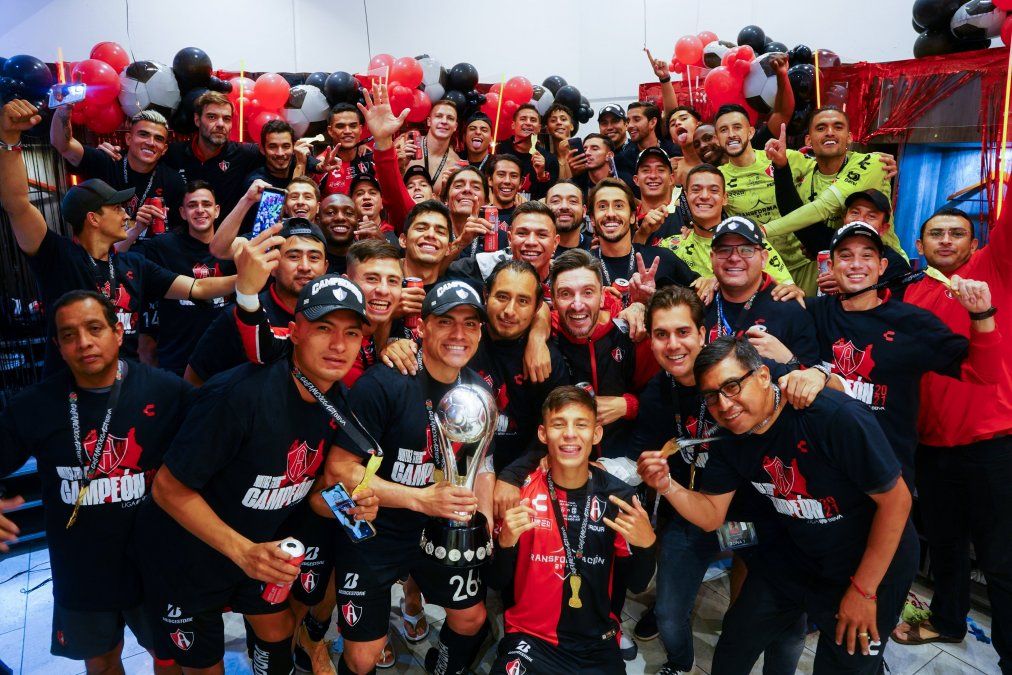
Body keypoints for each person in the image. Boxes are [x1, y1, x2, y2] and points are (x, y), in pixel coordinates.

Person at [136, 249, 378, 674]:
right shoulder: (240, 395)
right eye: (324, 328)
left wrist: (351, 505)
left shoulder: (335, 399)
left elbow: (314, 488)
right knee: (201, 666)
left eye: (352, 333)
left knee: (278, 631)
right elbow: (168, 488)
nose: (339, 345)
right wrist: (243, 551)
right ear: (296, 331)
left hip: (258, 549)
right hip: (190, 555)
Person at [639, 336, 920, 674]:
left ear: (761, 376)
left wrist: (864, 590)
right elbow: (712, 517)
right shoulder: (727, 438)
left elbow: (898, 501)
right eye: (712, 396)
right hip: (791, 551)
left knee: (846, 662)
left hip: (870, 564)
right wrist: (666, 485)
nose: (724, 404)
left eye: (731, 386)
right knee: (734, 645)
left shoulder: (828, 415)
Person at [632, 287, 827, 675]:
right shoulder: (657, 393)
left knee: (760, 612)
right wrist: (647, 469)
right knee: (670, 612)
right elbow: (643, 452)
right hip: (692, 514)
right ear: (650, 340)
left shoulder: (738, 369)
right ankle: (680, 662)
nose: (673, 345)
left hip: (750, 518)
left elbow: (806, 383)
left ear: (702, 334)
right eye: (661, 334)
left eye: (683, 332)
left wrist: (820, 375)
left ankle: (744, 633)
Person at [0, 290, 191, 675]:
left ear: (117, 332)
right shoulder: (35, 405)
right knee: (102, 664)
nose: (83, 342)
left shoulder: (167, 391)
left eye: (93, 328)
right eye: (69, 335)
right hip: (81, 567)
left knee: (169, 660)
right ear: (58, 345)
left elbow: (214, 452)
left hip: (154, 562)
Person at [320, 279, 493, 675]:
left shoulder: (478, 390)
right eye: (446, 322)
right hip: (376, 528)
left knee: (471, 618)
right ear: (423, 327)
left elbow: (483, 463)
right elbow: (339, 471)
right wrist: (420, 498)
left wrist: (484, 519)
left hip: (440, 527)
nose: (459, 334)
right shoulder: (385, 382)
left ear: (481, 332)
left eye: (470, 324)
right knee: (364, 656)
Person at [0, 100, 237, 375]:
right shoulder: (58, 256)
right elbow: (17, 203)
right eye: (117, 208)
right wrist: (9, 141)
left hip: (125, 386)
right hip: (71, 389)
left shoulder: (134, 264)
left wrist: (254, 275)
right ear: (93, 218)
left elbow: (200, 288)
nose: (126, 214)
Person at [891, 207, 1012, 670]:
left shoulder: (989, 270)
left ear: (975, 243)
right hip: (932, 447)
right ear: (918, 246)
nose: (945, 241)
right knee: (944, 544)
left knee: (1001, 560)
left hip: (993, 445)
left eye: (956, 233)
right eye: (934, 234)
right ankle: (947, 620)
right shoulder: (909, 293)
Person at [807, 221, 1002, 485]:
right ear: (830, 267)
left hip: (887, 478)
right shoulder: (809, 313)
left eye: (867, 255)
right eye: (845, 255)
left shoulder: (911, 322)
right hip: (825, 472)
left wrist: (981, 315)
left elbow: (983, 373)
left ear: (882, 267)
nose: (856, 264)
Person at [490, 385, 657, 675]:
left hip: (597, 642)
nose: (569, 434)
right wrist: (505, 544)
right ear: (543, 434)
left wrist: (647, 545)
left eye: (581, 425)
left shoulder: (619, 498)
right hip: (530, 638)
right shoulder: (521, 492)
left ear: (596, 434)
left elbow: (639, 584)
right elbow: (496, 580)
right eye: (559, 424)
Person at [184, 219, 329, 385]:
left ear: (325, 268)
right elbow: (194, 378)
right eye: (294, 256)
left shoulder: (334, 316)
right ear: (273, 265)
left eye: (314, 257)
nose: (304, 266)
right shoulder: (240, 314)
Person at [133, 179, 236, 375]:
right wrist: (136, 229)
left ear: (217, 210)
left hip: (226, 360)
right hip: (177, 358)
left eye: (206, 204)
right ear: (182, 213)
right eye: (192, 205)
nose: (200, 210)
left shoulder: (236, 247)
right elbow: (115, 258)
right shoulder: (163, 245)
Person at [50, 107, 184, 236]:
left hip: (150, 255)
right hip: (104, 254)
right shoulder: (107, 161)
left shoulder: (173, 180)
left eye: (158, 139)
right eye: (143, 134)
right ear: (128, 139)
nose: (150, 142)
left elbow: (177, 230)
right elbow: (63, 144)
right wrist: (64, 108)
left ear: (164, 149)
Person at [702, 217, 816, 362]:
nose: (734, 257)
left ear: (763, 258)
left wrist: (790, 360)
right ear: (712, 258)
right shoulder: (699, 304)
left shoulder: (790, 309)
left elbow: (814, 377)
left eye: (746, 250)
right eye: (724, 250)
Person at [661, 166, 794, 286]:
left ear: (725, 198)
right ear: (686, 195)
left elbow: (787, 287)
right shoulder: (670, 246)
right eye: (696, 190)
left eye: (713, 190)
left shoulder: (752, 241)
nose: (705, 196)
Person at [588, 178, 699, 307]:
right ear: (592, 220)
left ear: (632, 217)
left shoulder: (662, 258)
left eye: (618, 206)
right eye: (602, 206)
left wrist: (711, 282)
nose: (610, 213)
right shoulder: (581, 266)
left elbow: (700, 294)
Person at [163, 91, 263, 218]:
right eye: (212, 117)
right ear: (197, 120)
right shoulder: (173, 153)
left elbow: (280, 159)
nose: (221, 124)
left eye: (226, 119)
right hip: (181, 234)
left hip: (229, 236)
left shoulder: (245, 154)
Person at [812, 189, 911, 297]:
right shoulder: (830, 249)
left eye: (871, 216)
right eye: (855, 212)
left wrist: (850, 286)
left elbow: (893, 309)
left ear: (883, 228)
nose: (860, 220)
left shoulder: (896, 265)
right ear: (844, 219)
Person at [210, 175, 322, 259]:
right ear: (285, 207)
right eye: (294, 197)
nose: (300, 202)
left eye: (308, 197)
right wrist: (247, 200)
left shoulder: (329, 235)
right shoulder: (268, 234)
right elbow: (219, 250)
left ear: (317, 207)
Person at [494, 104, 560, 200]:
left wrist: (541, 175)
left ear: (539, 127)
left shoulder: (549, 159)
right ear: (513, 125)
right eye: (523, 119)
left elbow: (550, 199)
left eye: (533, 120)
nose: (528, 123)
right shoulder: (498, 151)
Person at [399, 99, 461, 196]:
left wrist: (445, 192)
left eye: (450, 118)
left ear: (455, 126)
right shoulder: (405, 144)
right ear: (429, 121)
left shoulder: (455, 164)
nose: (444, 121)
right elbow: (387, 188)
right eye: (438, 116)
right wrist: (400, 167)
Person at [631, 146, 686, 247]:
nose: (653, 176)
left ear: (671, 179)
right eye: (646, 170)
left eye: (660, 170)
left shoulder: (686, 213)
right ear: (636, 180)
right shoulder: (627, 220)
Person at [317, 102, 373, 197]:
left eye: (353, 126)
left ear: (360, 129)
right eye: (340, 126)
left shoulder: (372, 157)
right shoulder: (320, 165)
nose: (347, 131)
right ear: (330, 131)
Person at [571, 133, 635, 196]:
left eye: (594, 149)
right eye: (585, 149)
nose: (587, 153)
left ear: (609, 155)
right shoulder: (576, 184)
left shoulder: (626, 181)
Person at [546, 180, 592, 255]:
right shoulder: (537, 248)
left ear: (584, 211)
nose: (564, 206)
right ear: (546, 209)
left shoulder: (596, 249)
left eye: (573, 201)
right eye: (556, 201)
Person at [319, 192, 359, 274]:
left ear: (357, 222)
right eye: (330, 212)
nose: (340, 218)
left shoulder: (366, 258)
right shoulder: (309, 259)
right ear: (317, 220)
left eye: (349, 213)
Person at [597, 104, 635, 176]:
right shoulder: (596, 155)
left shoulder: (637, 149)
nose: (609, 127)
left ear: (626, 124)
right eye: (604, 123)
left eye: (615, 121)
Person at [487, 153, 524, 225]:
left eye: (513, 176)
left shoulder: (529, 218)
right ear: (490, 180)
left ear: (521, 183)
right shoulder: (480, 217)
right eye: (501, 174)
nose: (507, 181)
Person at [544, 103, 577, 180]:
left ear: (572, 126)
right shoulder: (546, 159)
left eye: (563, 119)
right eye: (553, 120)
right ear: (547, 129)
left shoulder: (583, 152)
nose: (559, 122)